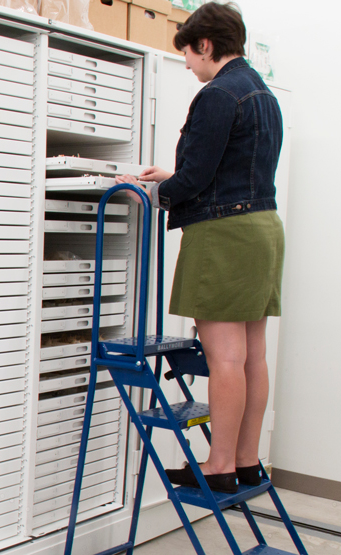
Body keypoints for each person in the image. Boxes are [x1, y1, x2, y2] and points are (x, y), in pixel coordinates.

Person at [116, 2, 282, 494]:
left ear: (205, 45)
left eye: (188, 54)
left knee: (224, 357)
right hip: (261, 228)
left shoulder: (218, 94)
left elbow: (198, 175)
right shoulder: (262, 93)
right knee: (253, 355)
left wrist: (148, 192)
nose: (187, 65)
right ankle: (247, 460)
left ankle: (219, 466)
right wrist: (176, 179)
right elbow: (234, 169)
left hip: (225, 235)